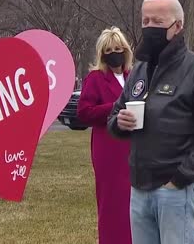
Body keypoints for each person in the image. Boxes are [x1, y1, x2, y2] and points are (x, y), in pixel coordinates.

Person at [107, 0, 194, 244]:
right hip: (139, 189)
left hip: (175, 192)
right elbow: (114, 114)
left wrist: (180, 177)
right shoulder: (140, 71)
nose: (150, 27)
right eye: (145, 21)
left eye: (157, 21)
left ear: (177, 26)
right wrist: (118, 123)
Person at [77, 27, 133, 244]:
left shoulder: (133, 76)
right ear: (102, 53)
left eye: (118, 48)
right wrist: (114, 107)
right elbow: (84, 112)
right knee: (112, 202)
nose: (114, 53)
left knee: (132, 202)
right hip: (108, 149)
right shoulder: (95, 78)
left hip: (133, 147)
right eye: (109, 49)